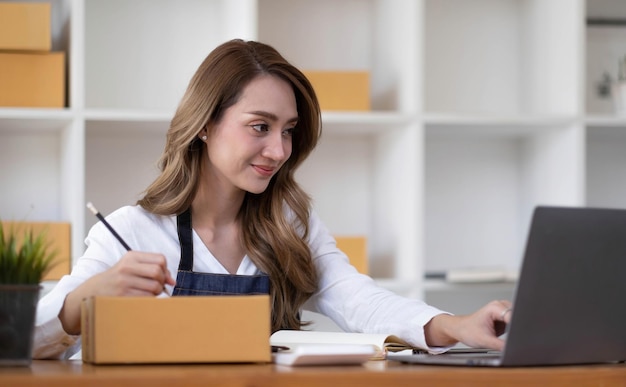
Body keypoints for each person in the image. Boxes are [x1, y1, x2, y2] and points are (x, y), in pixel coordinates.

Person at [33, 39, 512, 359]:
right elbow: (27, 345)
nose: (279, 150)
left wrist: (455, 326)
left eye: (288, 131)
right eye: (259, 127)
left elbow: (360, 300)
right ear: (205, 123)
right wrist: (86, 300)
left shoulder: (289, 226)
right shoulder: (133, 230)